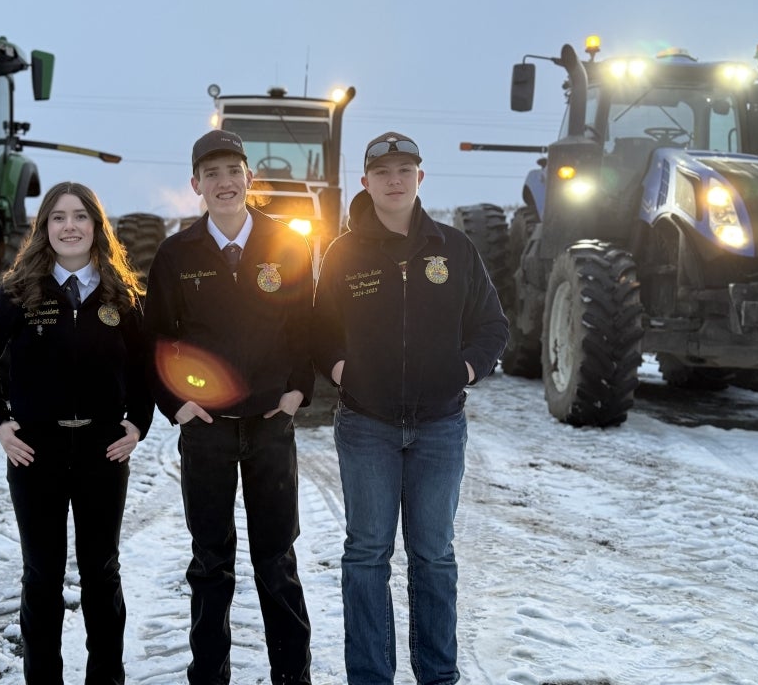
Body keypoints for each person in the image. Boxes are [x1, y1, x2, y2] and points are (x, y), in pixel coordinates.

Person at [311, 132, 509, 685]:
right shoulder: (343, 254)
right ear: (366, 181)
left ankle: (437, 675)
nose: (394, 180)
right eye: (383, 171)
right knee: (367, 555)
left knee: (434, 556)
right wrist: (341, 370)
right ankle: (370, 676)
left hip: (439, 428)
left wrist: (465, 370)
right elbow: (319, 332)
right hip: (366, 426)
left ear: (420, 178)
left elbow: (492, 326)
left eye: (405, 170)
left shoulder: (454, 248)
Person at [0, 181, 153, 685]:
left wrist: (139, 422)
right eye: (58, 218)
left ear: (96, 227)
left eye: (80, 217)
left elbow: (147, 366)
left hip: (102, 453)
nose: (70, 226)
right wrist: (0, 424)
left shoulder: (122, 294)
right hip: (36, 455)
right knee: (42, 578)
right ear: (45, 229)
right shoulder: (19, 292)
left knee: (101, 575)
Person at [143, 129, 314, 685]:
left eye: (232, 171)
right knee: (211, 564)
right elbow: (157, 340)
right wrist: (176, 404)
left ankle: (293, 675)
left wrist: (296, 391)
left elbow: (307, 327)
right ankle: (208, 677)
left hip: (270, 427)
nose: (223, 183)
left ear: (249, 179)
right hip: (208, 431)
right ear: (195, 184)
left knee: (277, 561)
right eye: (211, 174)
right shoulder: (176, 254)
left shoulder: (287, 243)